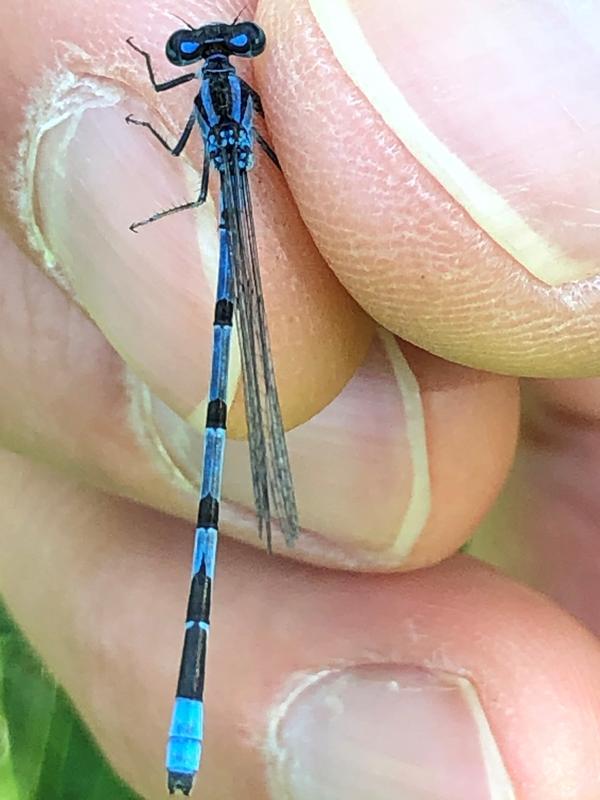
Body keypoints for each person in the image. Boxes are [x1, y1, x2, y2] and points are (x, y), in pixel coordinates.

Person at [1, 1, 599, 798]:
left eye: (231, 47)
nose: (216, 55)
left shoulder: (207, 95)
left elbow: (171, 118)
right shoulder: (242, 100)